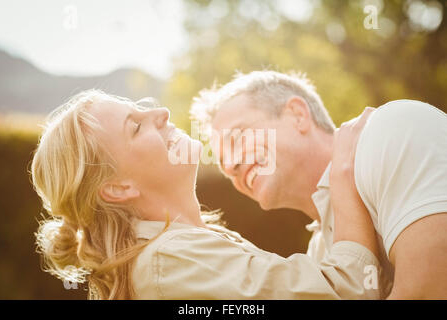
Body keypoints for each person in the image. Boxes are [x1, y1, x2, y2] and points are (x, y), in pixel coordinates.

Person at [31, 89, 380, 300]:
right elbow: (348, 291)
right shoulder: (172, 259)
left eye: (142, 108)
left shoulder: (185, 249)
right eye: (136, 126)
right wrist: (343, 173)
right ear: (119, 188)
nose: (161, 113)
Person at [191, 70, 447, 299]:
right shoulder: (321, 253)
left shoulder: (390, 131)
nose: (231, 167)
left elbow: (428, 291)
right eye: (223, 163)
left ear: (298, 115)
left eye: (238, 137)